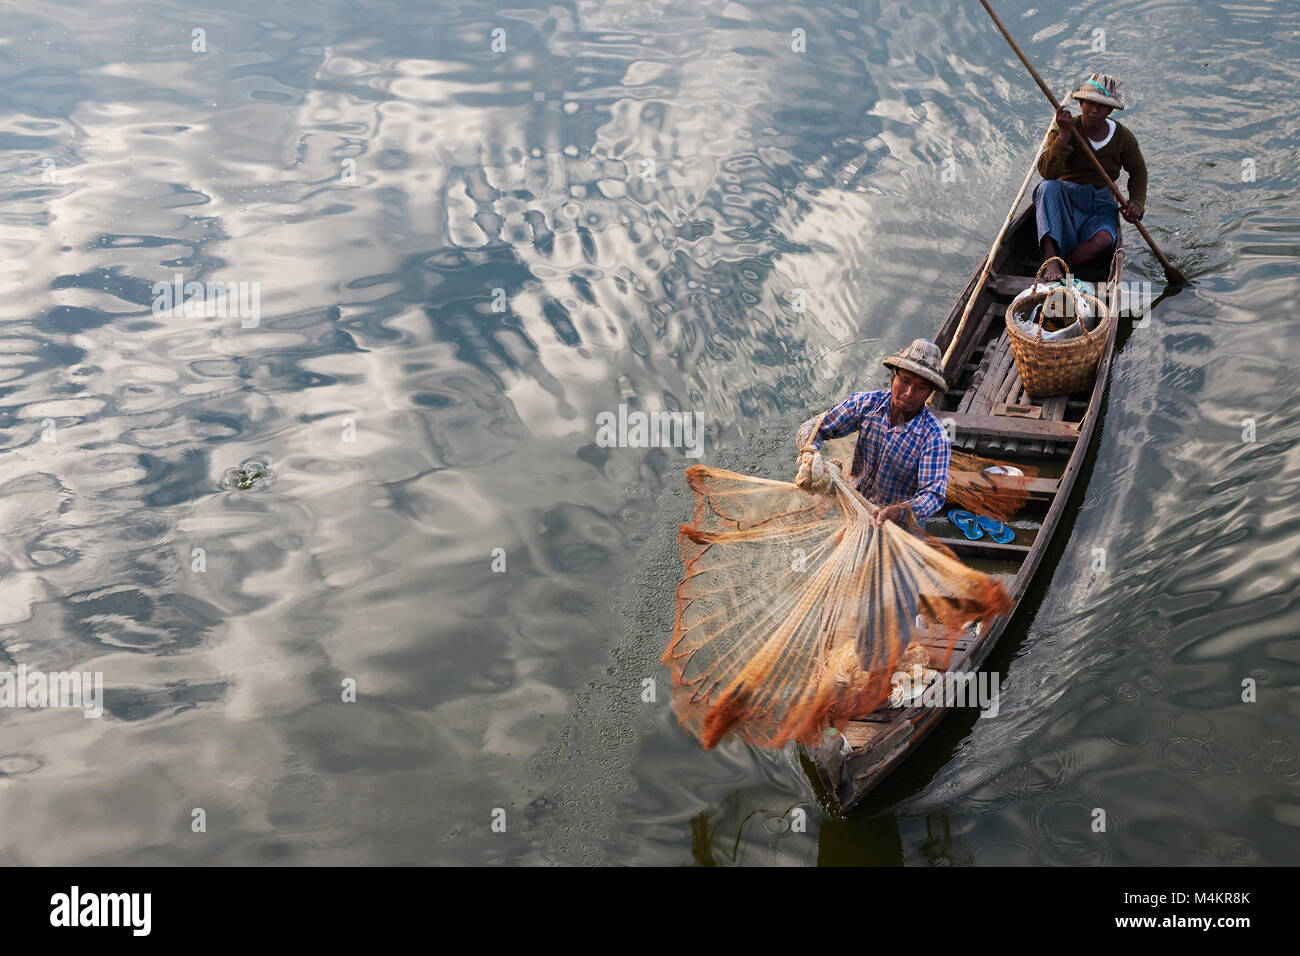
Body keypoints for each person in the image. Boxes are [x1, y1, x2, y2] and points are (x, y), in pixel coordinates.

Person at [796, 339, 950, 529]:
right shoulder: (866, 404)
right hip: (855, 503)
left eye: (921, 388)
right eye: (905, 381)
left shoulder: (934, 437)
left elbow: (933, 494)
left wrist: (902, 511)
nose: (910, 393)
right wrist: (809, 452)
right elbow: (813, 427)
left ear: (929, 393)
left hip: (898, 524)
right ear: (893, 377)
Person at [1034, 73, 1147, 281]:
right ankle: (1051, 261)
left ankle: (1063, 265)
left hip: (1100, 203)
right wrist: (1065, 135)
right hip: (1065, 198)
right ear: (1081, 103)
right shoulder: (1062, 129)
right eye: (1091, 103)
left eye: (1102, 106)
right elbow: (1047, 172)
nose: (1095, 109)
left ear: (1111, 110)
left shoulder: (1123, 137)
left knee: (1104, 240)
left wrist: (1136, 203)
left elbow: (1138, 171)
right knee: (1047, 187)